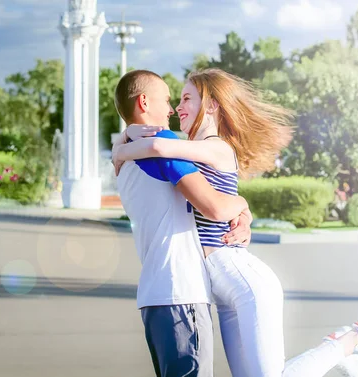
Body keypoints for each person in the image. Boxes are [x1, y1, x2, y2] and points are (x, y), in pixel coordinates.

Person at [113, 68, 358, 377]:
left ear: (211, 105)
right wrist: (127, 136)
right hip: (220, 289)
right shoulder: (192, 153)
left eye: (185, 99)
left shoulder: (215, 147)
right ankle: (342, 354)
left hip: (241, 279)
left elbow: (161, 148)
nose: (176, 108)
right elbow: (166, 153)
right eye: (173, 99)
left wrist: (120, 149)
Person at [112, 69, 254, 377]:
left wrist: (122, 142)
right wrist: (243, 205)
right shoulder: (160, 145)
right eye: (166, 100)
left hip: (154, 298)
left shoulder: (123, 161)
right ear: (144, 101)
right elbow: (216, 207)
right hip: (181, 294)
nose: (171, 109)